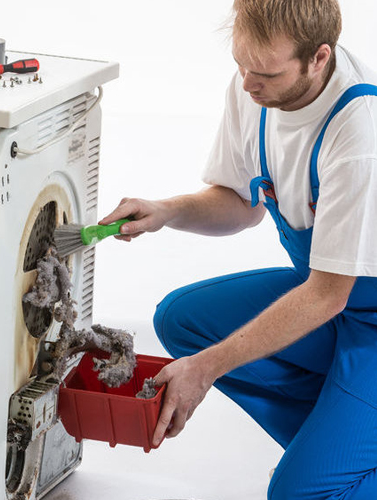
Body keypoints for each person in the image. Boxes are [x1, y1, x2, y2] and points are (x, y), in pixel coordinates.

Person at [100, 0, 377, 498]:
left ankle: (342, 458)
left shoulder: (359, 135)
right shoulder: (258, 90)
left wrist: (205, 370)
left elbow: (325, 296)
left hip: (355, 311)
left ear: (318, 58)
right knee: (182, 320)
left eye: (265, 73)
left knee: (297, 495)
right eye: (241, 66)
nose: (248, 85)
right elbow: (242, 202)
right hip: (335, 299)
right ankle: (335, 440)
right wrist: (168, 212)